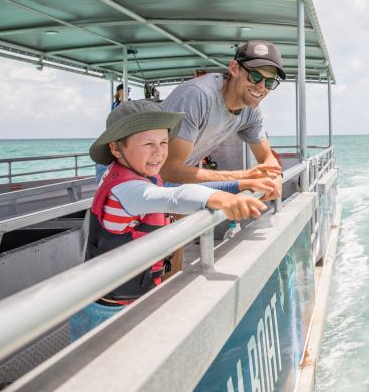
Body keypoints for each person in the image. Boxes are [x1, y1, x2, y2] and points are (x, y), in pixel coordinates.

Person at [70, 100, 274, 340]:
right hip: (108, 313)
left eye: (164, 142)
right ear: (116, 149)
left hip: (132, 300)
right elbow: (176, 196)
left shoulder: (140, 175)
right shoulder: (125, 189)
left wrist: (240, 184)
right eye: (148, 144)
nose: (159, 152)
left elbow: (178, 187)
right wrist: (222, 200)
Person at [160, 40, 286, 198]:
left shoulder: (251, 111)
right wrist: (244, 176)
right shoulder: (198, 96)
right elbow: (167, 169)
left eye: (269, 82)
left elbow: (266, 157)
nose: (261, 87)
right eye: (255, 76)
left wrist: (276, 177)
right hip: (138, 181)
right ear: (234, 68)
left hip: (173, 183)